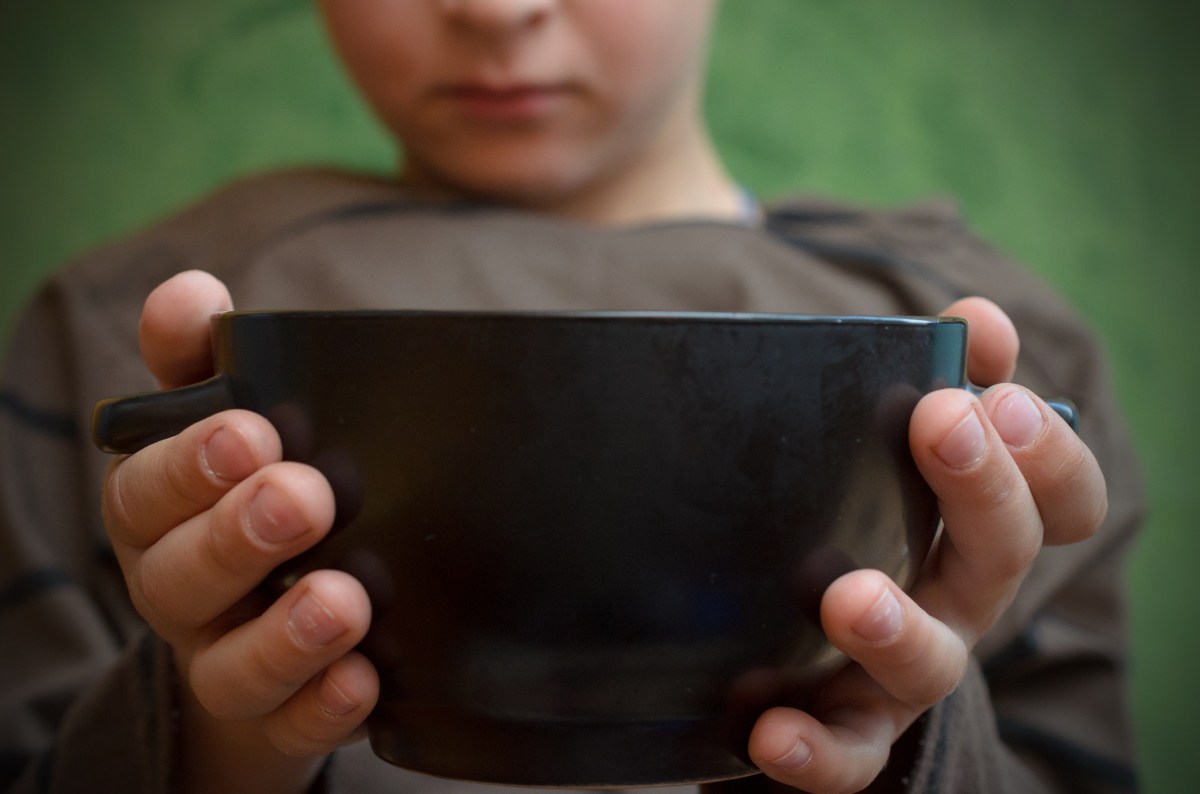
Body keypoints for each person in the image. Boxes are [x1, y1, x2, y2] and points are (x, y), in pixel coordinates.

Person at [0, 1, 1141, 792]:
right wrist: (220, 735)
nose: (495, 9)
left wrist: (908, 725)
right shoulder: (131, 336)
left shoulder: (996, 359)